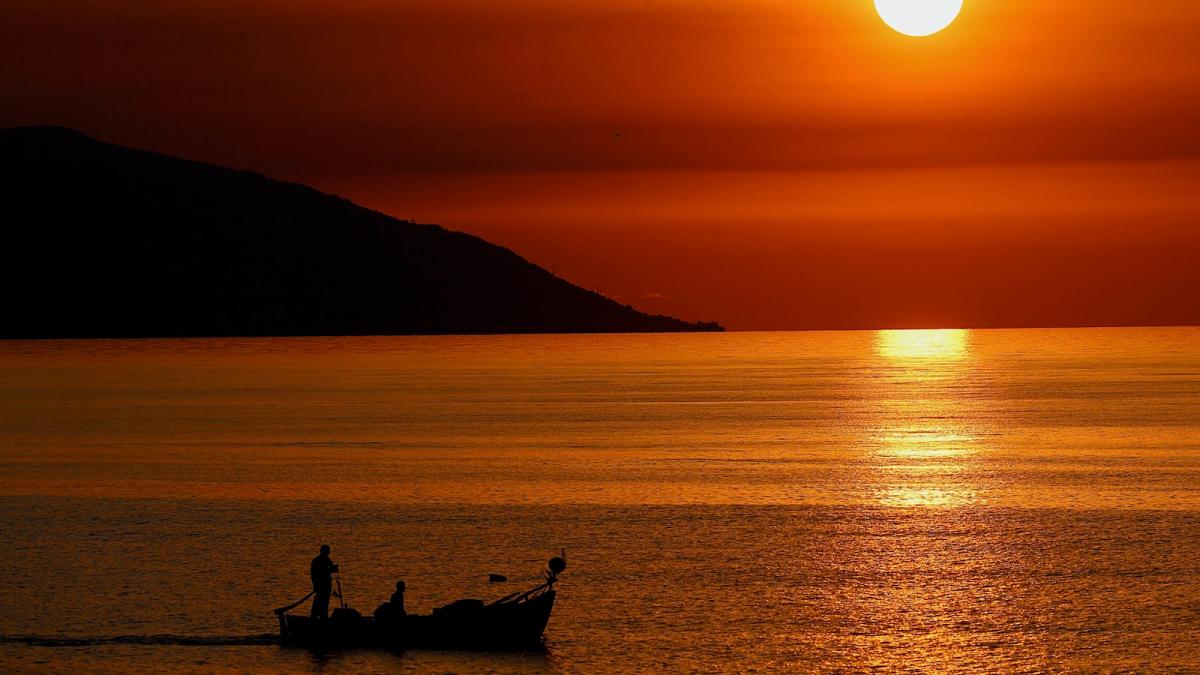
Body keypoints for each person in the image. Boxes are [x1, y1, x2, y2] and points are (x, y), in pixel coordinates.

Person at [310, 544, 337, 620]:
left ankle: (322, 617)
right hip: (321, 586)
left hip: (325, 585)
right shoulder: (319, 560)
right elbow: (314, 573)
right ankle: (317, 617)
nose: (329, 553)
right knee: (320, 601)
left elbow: (330, 569)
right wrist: (315, 584)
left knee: (324, 602)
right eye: (328, 551)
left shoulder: (326, 559)